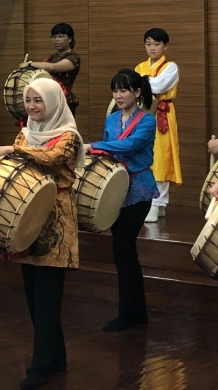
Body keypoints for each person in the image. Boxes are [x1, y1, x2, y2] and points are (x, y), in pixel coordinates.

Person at [0, 77, 84, 390]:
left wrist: (16, 151)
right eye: (28, 101)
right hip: (29, 219)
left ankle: (40, 365)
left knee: (47, 298)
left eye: (38, 101)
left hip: (56, 224)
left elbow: (54, 158)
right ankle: (54, 357)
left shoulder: (68, 137)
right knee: (34, 297)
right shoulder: (26, 133)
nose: (31, 107)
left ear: (54, 102)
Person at [86, 69, 157, 332]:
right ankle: (135, 311)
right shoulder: (113, 118)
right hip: (115, 188)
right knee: (122, 251)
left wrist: (94, 146)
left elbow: (129, 146)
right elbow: (108, 148)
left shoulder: (146, 121)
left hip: (138, 190)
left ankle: (130, 313)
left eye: (123, 90)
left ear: (137, 93)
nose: (118, 95)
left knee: (124, 250)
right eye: (115, 91)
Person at [135, 28, 181, 222]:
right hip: (142, 114)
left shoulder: (171, 67)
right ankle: (149, 201)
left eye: (156, 44)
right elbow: (135, 88)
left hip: (162, 114)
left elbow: (159, 86)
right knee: (144, 156)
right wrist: (144, 84)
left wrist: (143, 84)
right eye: (148, 44)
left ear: (165, 46)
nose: (152, 48)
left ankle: (157, 203)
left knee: (162, 158)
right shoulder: (140, 67)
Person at [19, 22, 81, 116]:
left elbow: (53, 68)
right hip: (50, 99)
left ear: (70, 39)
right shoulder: (52, 57)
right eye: (54, 37)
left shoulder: (73, 57)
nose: (57, 40)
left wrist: (30, 63)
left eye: (61, 36)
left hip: (65, 100)